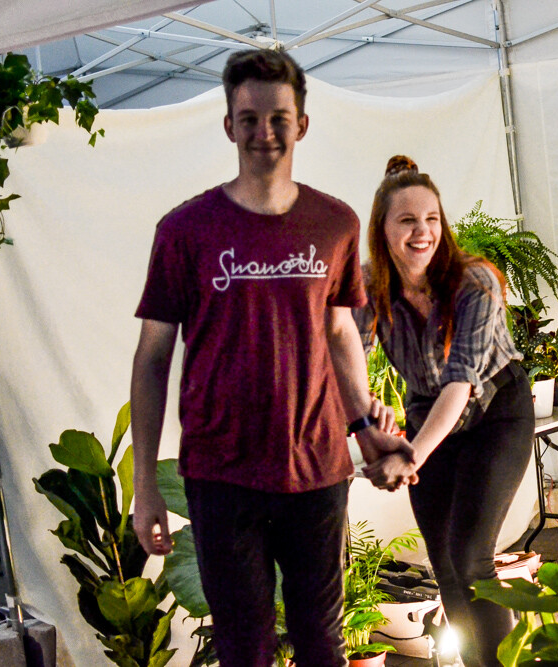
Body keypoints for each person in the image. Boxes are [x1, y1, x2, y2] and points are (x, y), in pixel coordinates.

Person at [130, 49, 411, 667]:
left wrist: (366, 431)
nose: (265, 133)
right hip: (220, 474)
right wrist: (145, 483)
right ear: (229, 125)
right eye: (250, 118)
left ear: (302, 124)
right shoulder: (185, 231)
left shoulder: (334, 222)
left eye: (279, 118)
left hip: (316, 469)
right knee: (244, 648)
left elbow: (342, 338)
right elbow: (152, 358)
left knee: (322, 642)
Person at [354, 156, 534, 667]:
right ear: (382, 229)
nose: (422, 231)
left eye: (431, 219)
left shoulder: (474, 283)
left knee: (470, 556)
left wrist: (409, 457)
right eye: (407, 220)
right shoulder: (370, 289)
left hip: (496, 412)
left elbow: (461, 383)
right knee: (444, 565)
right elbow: (347, 363)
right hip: (427, 419)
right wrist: (368, 424)